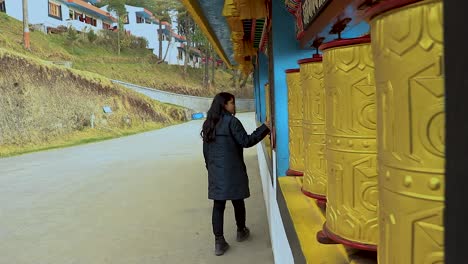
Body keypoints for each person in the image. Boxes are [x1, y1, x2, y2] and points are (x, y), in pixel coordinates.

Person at [201, 92, 271, 256]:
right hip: (233, 170)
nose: (234, 106)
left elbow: (206, 151)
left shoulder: (208, 124)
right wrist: (265, 128)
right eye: (232, 103)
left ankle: (219, 242)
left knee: (218, 205)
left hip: (215, 171)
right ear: (224, 105)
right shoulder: (232, 122)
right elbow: (246, 141)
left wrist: (210, 169)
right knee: (237, 200)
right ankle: (241, 231)